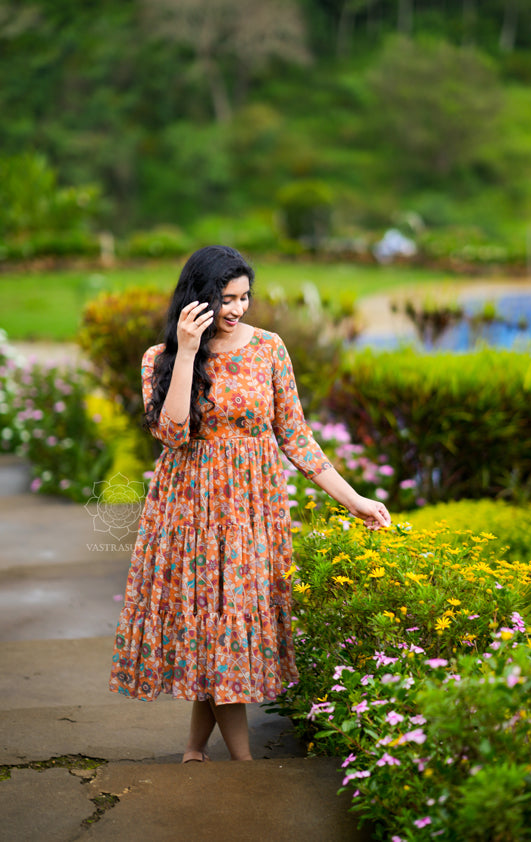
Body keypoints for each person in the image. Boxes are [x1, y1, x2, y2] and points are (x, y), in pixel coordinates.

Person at [109, 245, 391, 762]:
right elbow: (170, 434)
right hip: (188, 513)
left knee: (224, 626)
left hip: (250, 511)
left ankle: (195, 749)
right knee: (208, 626)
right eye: (225, 297)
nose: (236, 308)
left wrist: (355, 499)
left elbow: (296, 436)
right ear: (198, 297)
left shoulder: (268, 348)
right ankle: (242, 764)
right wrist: (189, 352)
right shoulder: (162, 357)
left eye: (244, 297)